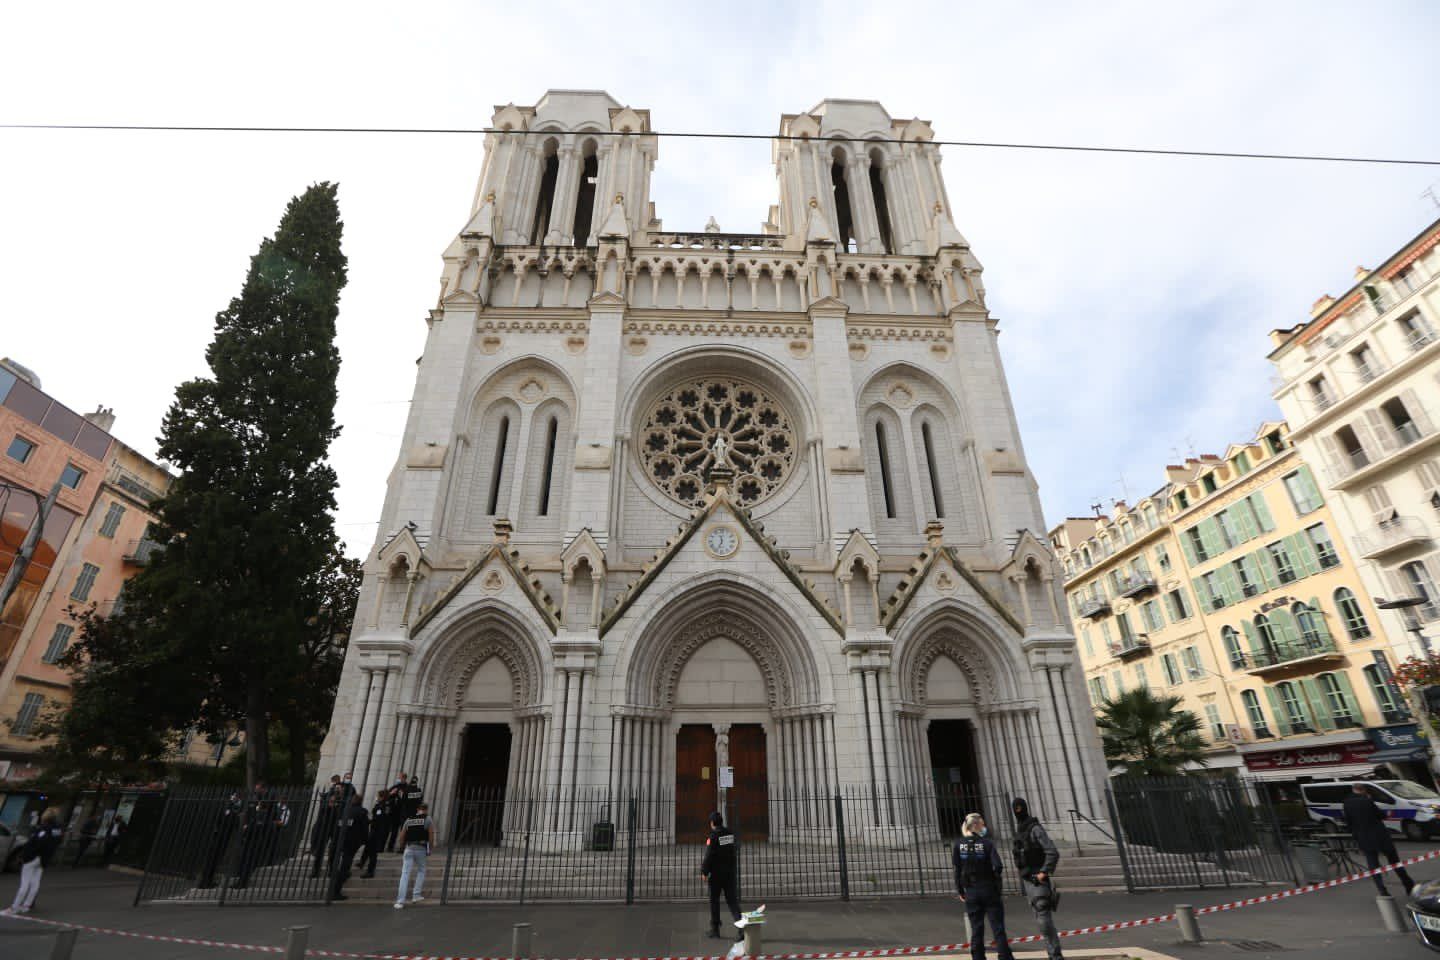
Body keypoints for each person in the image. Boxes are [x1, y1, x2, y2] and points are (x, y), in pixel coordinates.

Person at [954, 812, 1014, 960]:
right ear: (975, 825)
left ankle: (978, 957)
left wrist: (961, 890)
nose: (983, 827)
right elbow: (998, 866)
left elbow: (957, 870)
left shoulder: (958, 845)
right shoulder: (987, 844)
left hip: (971, 891)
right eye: (981, 824)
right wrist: (994, 881)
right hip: (988, 889)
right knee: (998, 928)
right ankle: (1005, 956)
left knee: (976, 928)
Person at [1011, 798, 1063, 960]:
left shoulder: (1035, 828)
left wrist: (1043, 872)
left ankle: (1055, 955)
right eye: (1015, 808)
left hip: (1037, 879)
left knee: (1043, 916)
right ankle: (1052, 953)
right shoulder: (1020, 830)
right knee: (1040, 918)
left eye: (1019, 808)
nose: (1017, 811)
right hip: (1028, 879)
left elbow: (1052, 852)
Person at [1343, 782, 1415, 895]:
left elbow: (1348, 822)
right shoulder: (1367, 801)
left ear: (1354, 790)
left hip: (1363, 837)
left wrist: (1355, 835)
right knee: (1394, 861)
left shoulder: (1346, 803)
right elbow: (1380, 815)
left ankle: (1382, 889)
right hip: (1380, 835)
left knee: (1373, 864)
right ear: (1363, 790)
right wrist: (1387, 813)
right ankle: (1408, 885)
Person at [5, 813, 62, 915]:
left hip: (33, 858)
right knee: (35, 882)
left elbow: (37, 843)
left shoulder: (44, 829)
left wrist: (26, 855)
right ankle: (27, 905)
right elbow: (56, 843)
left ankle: (14, 907)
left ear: (45, 818)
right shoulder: (57, 830)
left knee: (25, 882)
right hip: (43, 859)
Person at [701, 811, 741, 940]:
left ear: (712, 823)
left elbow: (709, 855)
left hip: (717, 874)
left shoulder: (713, 837)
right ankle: (742, 929)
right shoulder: (729, 834)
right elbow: (735, 848)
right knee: (732, 901)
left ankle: (715, 929)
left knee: (714, 901)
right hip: (729, 873)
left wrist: (704, 872)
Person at [330, 795, 370, 901]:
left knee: (341, 864)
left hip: (340, 841)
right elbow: (364, 828)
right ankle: (335, 891)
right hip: (352, 842)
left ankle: (339, 879)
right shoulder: (362, 812)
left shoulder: (344, 811)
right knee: (345, 865)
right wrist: (365, 841)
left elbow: (337, 826)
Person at [394, 801, 433, 909]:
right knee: (421, 870)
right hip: (420, 848)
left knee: (405, 874)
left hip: (409, 848)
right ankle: (416, 895)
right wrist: (430, 849)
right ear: (426, 810)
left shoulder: (409, 819)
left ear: (417, 809)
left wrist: (401, 847)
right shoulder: (427, 819)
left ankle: (400, 901)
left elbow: (402, 835)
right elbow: (431, 836)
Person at [199, 792, 242, 888]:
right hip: (219, 836)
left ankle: (208, 880)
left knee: (215, 860)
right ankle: (205, 881)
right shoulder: (227, 807)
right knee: (212, 859)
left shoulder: (233, 808)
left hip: (223, 837)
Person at [310, 775, 345, 878]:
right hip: (325, 825)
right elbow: (322, 809)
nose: (338, 789)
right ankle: (316, 870)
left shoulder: (343, 799)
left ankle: (331, 870)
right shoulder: (327, 795)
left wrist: (337, 802)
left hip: (335, 826)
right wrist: (330, 803)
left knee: (334, 849)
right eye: (336, 787)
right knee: (320, 849)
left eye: (340, 787)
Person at [359, 790, 388, 878]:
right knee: (368, 847)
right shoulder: (380, 805)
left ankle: (370, 871)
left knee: (373, 853)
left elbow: (378, 819)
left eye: (378, 796)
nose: (377, 797)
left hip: (377, 831)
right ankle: (362, 862)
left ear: (381, 797)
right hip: (375, 830)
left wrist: (369, 821)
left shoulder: (382, 806)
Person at [384, 774, 409, 852]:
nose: (398, 779)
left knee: (402, 830)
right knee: (391, 830)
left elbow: (407, 800)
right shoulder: (395, 786)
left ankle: (401, 847)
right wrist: (391, 793)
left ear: (404, 778)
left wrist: (402, 795)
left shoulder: (407, 788)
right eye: (398, 778)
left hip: (402, 812)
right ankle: (389, 847)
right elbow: (385, 795)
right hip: (393, 812)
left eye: (399, 778)